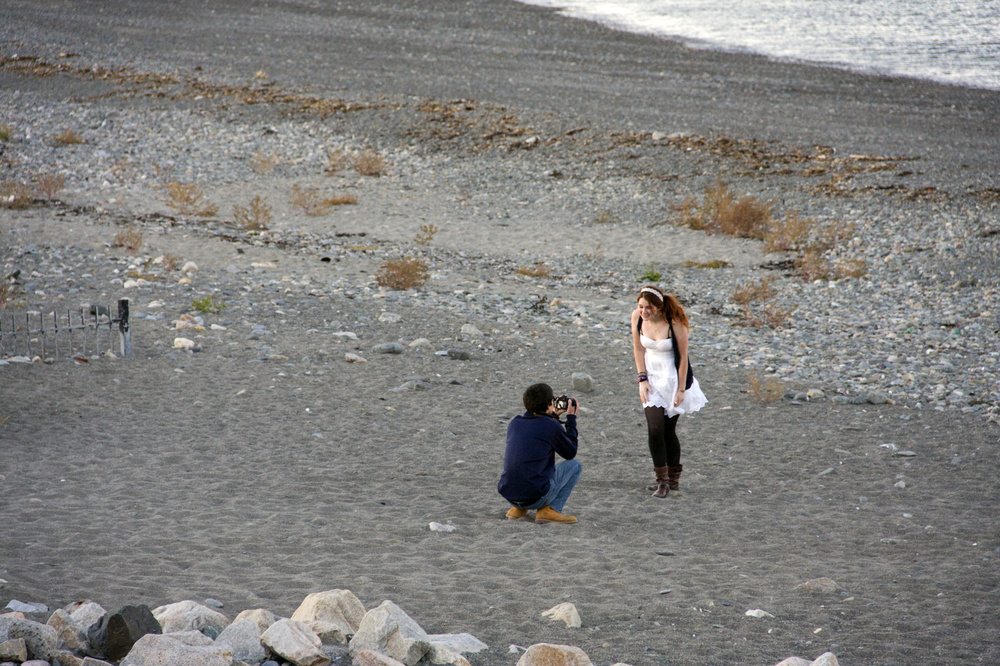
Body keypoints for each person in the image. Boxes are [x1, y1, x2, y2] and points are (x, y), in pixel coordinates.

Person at [631, 285, 707, 498]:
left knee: (668, 431)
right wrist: (641, 378)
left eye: (649, 308)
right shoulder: (637, 317)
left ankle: (673, 479)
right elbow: (638, 348)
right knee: (655, 428)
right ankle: (662, 481)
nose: (644, 311)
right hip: (651, 379)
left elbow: (683, 358)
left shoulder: (675, 322)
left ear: (658, 306)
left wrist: (681, 389)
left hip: (673, 379)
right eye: (641, 306)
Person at [497, 383, 582, 524]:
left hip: (510, 495)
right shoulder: (551, 426)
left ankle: (518, 509)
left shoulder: (515, 423)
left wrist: (553, 416)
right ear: (550, 404)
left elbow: (538, 429)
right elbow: (570, 452)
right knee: (575, 466)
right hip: (536, 497)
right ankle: (550, 510)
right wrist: (571, 419)